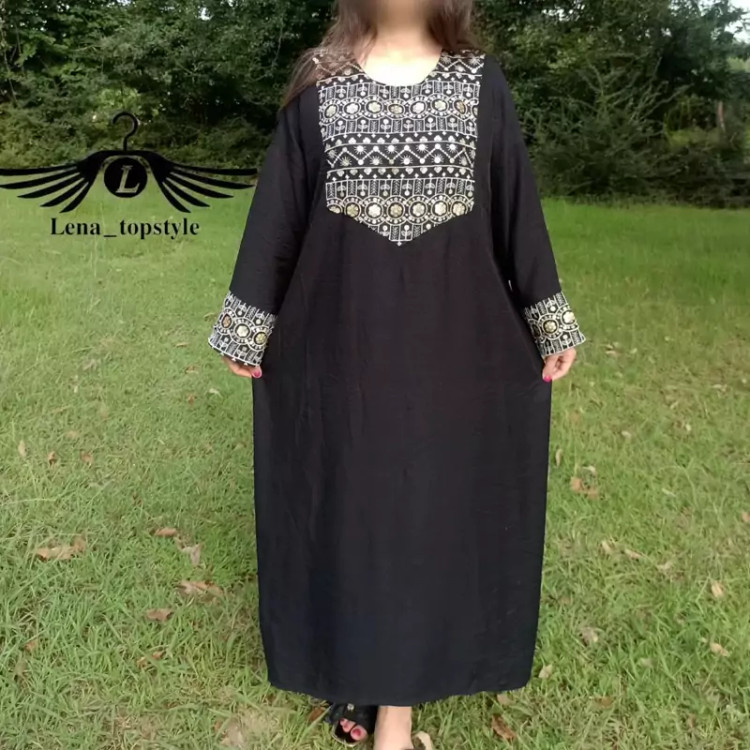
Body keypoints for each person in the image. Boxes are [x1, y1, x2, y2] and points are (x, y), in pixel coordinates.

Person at [207, 0, 586, 748]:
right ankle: (359, 665)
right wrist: (249, 318)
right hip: (338, 344)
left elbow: (516, 205)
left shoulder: (481, 82)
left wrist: (548, 314)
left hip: (455, 347)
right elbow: (279, 212)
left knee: (427, 509)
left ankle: (396, 706)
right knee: (355, 504)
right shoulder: (319, 80)